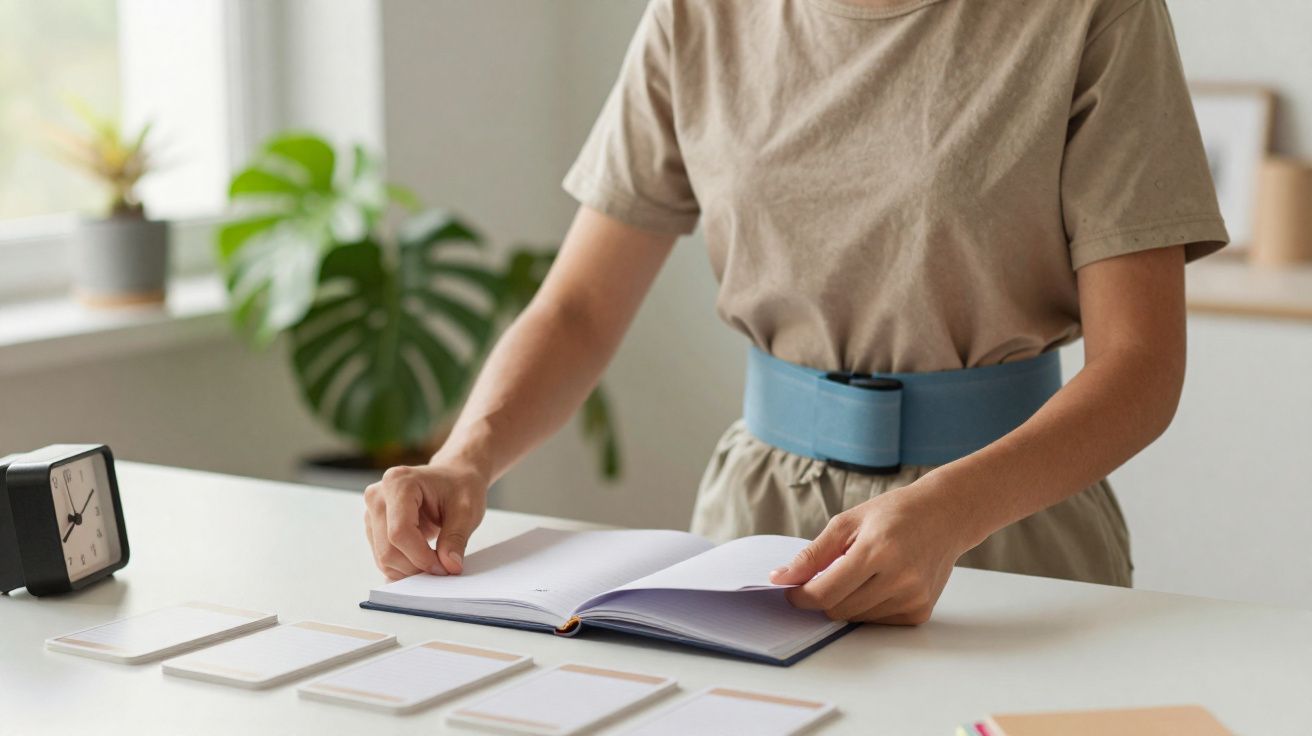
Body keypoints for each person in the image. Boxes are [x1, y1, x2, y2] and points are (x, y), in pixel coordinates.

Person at [363, 0, 1227, 625]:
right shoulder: (697, 16)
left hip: (1002, 526)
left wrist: (952, 512)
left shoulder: (1093, 15)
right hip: (755, 535)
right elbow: (580, 308)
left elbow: (1140, 366)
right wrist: (465, 458)